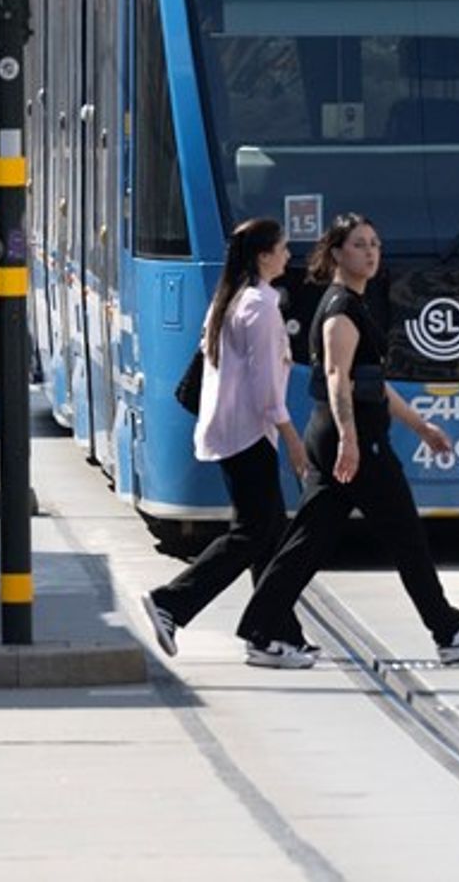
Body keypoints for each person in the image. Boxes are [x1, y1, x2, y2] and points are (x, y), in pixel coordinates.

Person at [234, 215, 459, 669]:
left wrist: (421, 426)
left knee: (307, 542)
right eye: (360, 245)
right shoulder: (341, 309)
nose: (371, 252)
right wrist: (351, 441)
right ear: (338, 253)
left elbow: (371, 382)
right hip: (356, 440)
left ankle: (262, 629)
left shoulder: (352, 304)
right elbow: (339, 379)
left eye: (375, 244)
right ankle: (449, 631)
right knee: (406, 538)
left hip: (342, 434)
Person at [142, 219, 316, 658]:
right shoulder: (259, 305)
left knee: (267, 531)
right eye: (282, 248)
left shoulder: (232, 298)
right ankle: (171, 602)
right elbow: (265, 389)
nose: (288, 256)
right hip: (247, 434)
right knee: (253, 533)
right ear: (263, 256)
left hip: (234, 431)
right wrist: (292, 437)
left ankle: (274, 633)